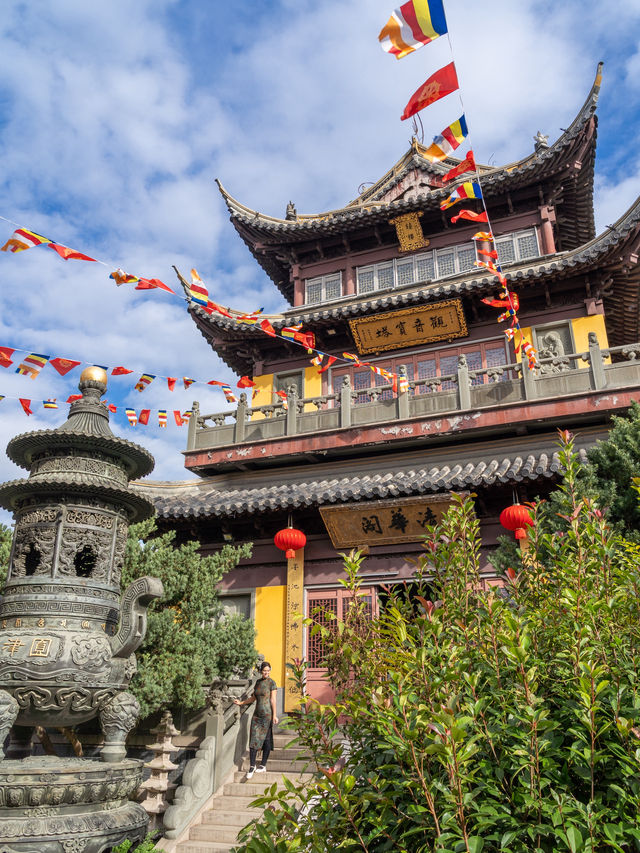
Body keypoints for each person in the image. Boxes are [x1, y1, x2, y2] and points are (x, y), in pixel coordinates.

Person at [233, 661, 279, 779]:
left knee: (266, 740)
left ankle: (263, 765)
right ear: (260, 671)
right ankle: (252, 766)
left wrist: (274, 715)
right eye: (264, 671)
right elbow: (253, 698)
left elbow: (273, 700)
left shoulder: (272, 683)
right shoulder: (258, 682)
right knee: (253, 739)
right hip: (256, 715)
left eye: (268, 671)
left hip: (267, 715)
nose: (266, 673)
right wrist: (241, 703)